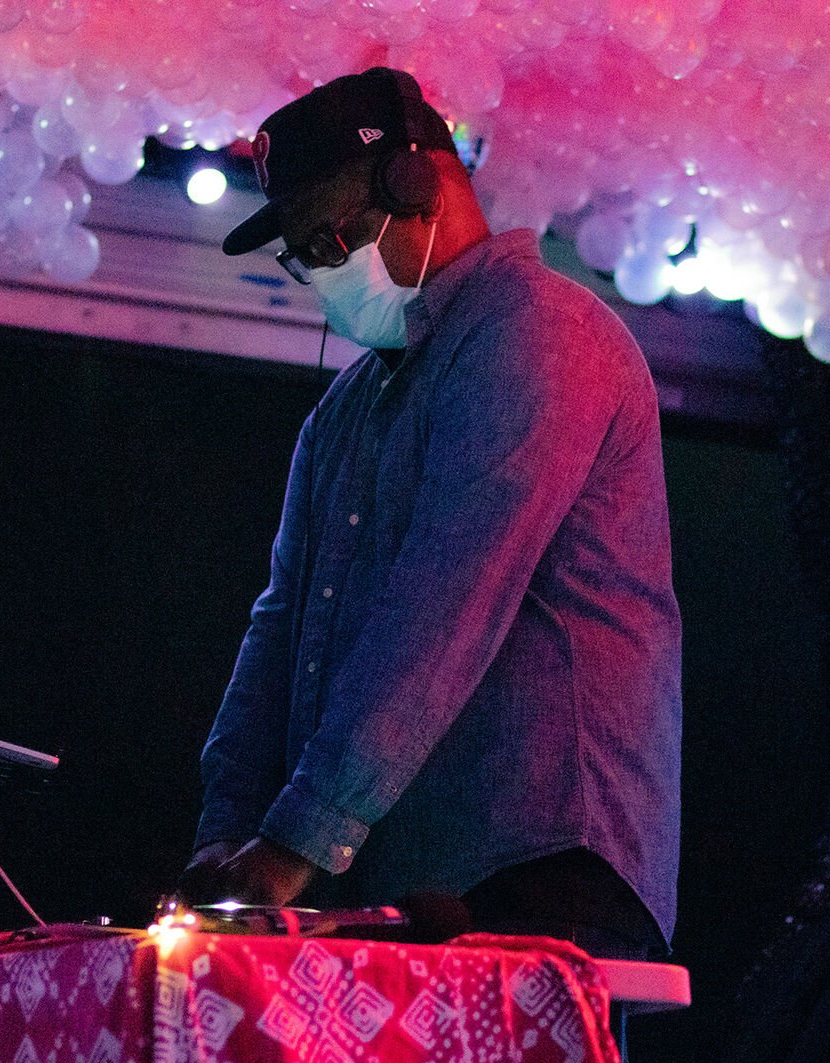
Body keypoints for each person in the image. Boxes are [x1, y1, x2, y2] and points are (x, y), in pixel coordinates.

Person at [179, 67, 681, 961]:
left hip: (537, 867)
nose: (325, 277)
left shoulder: (540, 332)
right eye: (306, 259)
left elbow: (449, 597)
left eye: (334, 240)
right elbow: (279, 623)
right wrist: (224, 836)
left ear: (423, 188)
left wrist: (295, 840)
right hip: (405, 880)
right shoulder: (344, 413)